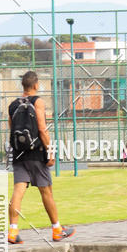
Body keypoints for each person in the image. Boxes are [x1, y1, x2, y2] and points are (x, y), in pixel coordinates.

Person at [7, 70, 75, 243]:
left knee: (17, 192)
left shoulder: (13, 105)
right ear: (36, 85)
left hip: (18, 154)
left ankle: (13, 232)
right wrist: (50, 152)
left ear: (23, 85)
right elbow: (42, 129)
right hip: (36, 154)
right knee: (46, 192)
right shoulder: (38, 102)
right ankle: (57, 229)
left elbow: (11, 129)